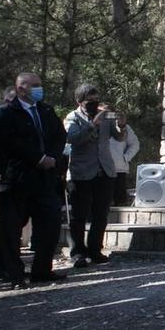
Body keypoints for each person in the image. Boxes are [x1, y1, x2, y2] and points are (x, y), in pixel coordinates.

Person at [0, 71, 67, 285]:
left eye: (39, 84)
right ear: (20, 88)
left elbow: (59, 135)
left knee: (50, 226)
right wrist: (38, 158)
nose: (37, 88)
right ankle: (11, 272)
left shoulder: (46, 110)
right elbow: (9, 142)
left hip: (45, 180)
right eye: (32, 85)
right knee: (10, 229)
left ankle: (42, 270)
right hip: (16, 180)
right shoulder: (5, 113)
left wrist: (51, 157)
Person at [64, 83, 121, 268]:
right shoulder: (72, 118)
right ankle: (77, 252)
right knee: (79, 215)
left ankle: (95, 249)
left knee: (100, 214)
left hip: (104, 171)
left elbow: (118, 135)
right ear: (79, 101)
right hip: (81, 173)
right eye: (90, 101)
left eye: (97, 100)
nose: (95, 104)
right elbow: (72, 138)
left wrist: (122, 124)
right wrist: (92, 124)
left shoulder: (105, 116)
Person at [109, 113, 142, 206]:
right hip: (99, 169)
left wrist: (126, 157)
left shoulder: (125, 128)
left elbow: (135, 144)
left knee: (119, 202)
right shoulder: (97, 126)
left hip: (118, 169)